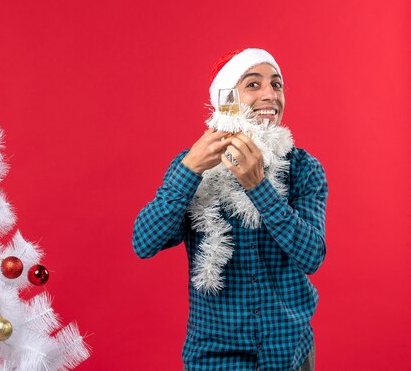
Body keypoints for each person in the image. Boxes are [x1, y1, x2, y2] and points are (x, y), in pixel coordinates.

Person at [133, 48, 327, 371]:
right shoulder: (193, 168)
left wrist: (259, 187)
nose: (270, 95)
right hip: (215, 358)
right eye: (253, 85)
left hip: (290, 354)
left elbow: (311, 257)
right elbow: (144, 242)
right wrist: (189, 169)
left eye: (276, 85)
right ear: (226, 100)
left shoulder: (304, 169)